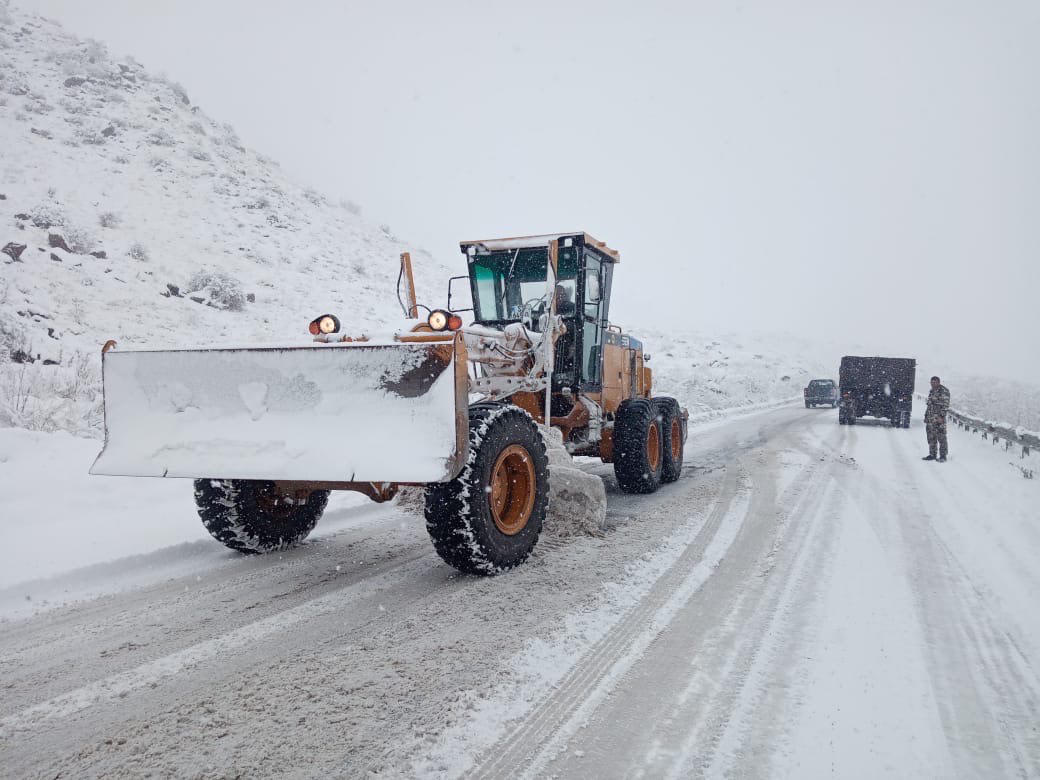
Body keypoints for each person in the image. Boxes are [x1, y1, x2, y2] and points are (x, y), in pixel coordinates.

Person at [923, 375, 950, 462]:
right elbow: (930, 405)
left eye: (934, 382)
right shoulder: (931, 391)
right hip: (930, 419)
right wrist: (926, 416)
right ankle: (932, 454)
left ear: (939, 382)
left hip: (939, 419)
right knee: (931, 437)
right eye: (931, 382)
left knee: (941, 437)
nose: (933, 384)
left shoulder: (944, 391)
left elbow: (945, 406)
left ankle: (943, 456)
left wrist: (941, 416)